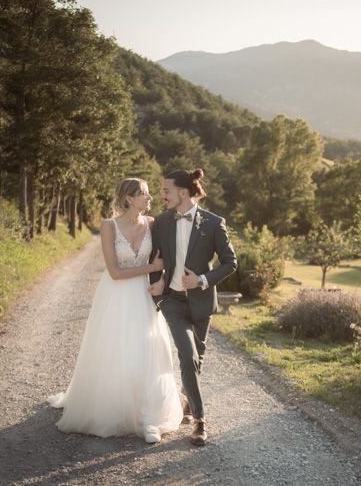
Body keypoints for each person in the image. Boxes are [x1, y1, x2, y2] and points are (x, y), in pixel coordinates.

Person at [48, 178, 181, 444]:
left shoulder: (152, 223)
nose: (150, 198)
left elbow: (167, 258)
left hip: (144, 295)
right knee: (114, 349)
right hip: (115, 294)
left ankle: (149, 417)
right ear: (128, 199)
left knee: (147, 349)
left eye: (149, 194)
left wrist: (163, 278)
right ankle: (111, 409)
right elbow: (116, 272)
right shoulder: (109, 227)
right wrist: (151, 269)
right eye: (143, 194)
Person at [148, 168, 237, 446]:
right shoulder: (161, 222)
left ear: (182, 193)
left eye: (166, 190)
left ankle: (186, 402)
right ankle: (200, 421)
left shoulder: (213, 222)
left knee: (196, 359)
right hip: (173, 302)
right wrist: (159, 290)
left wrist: (201, 280)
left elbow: (229, 262)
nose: (162, 195)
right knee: (187, 357)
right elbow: (154, 259)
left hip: (201, 303)